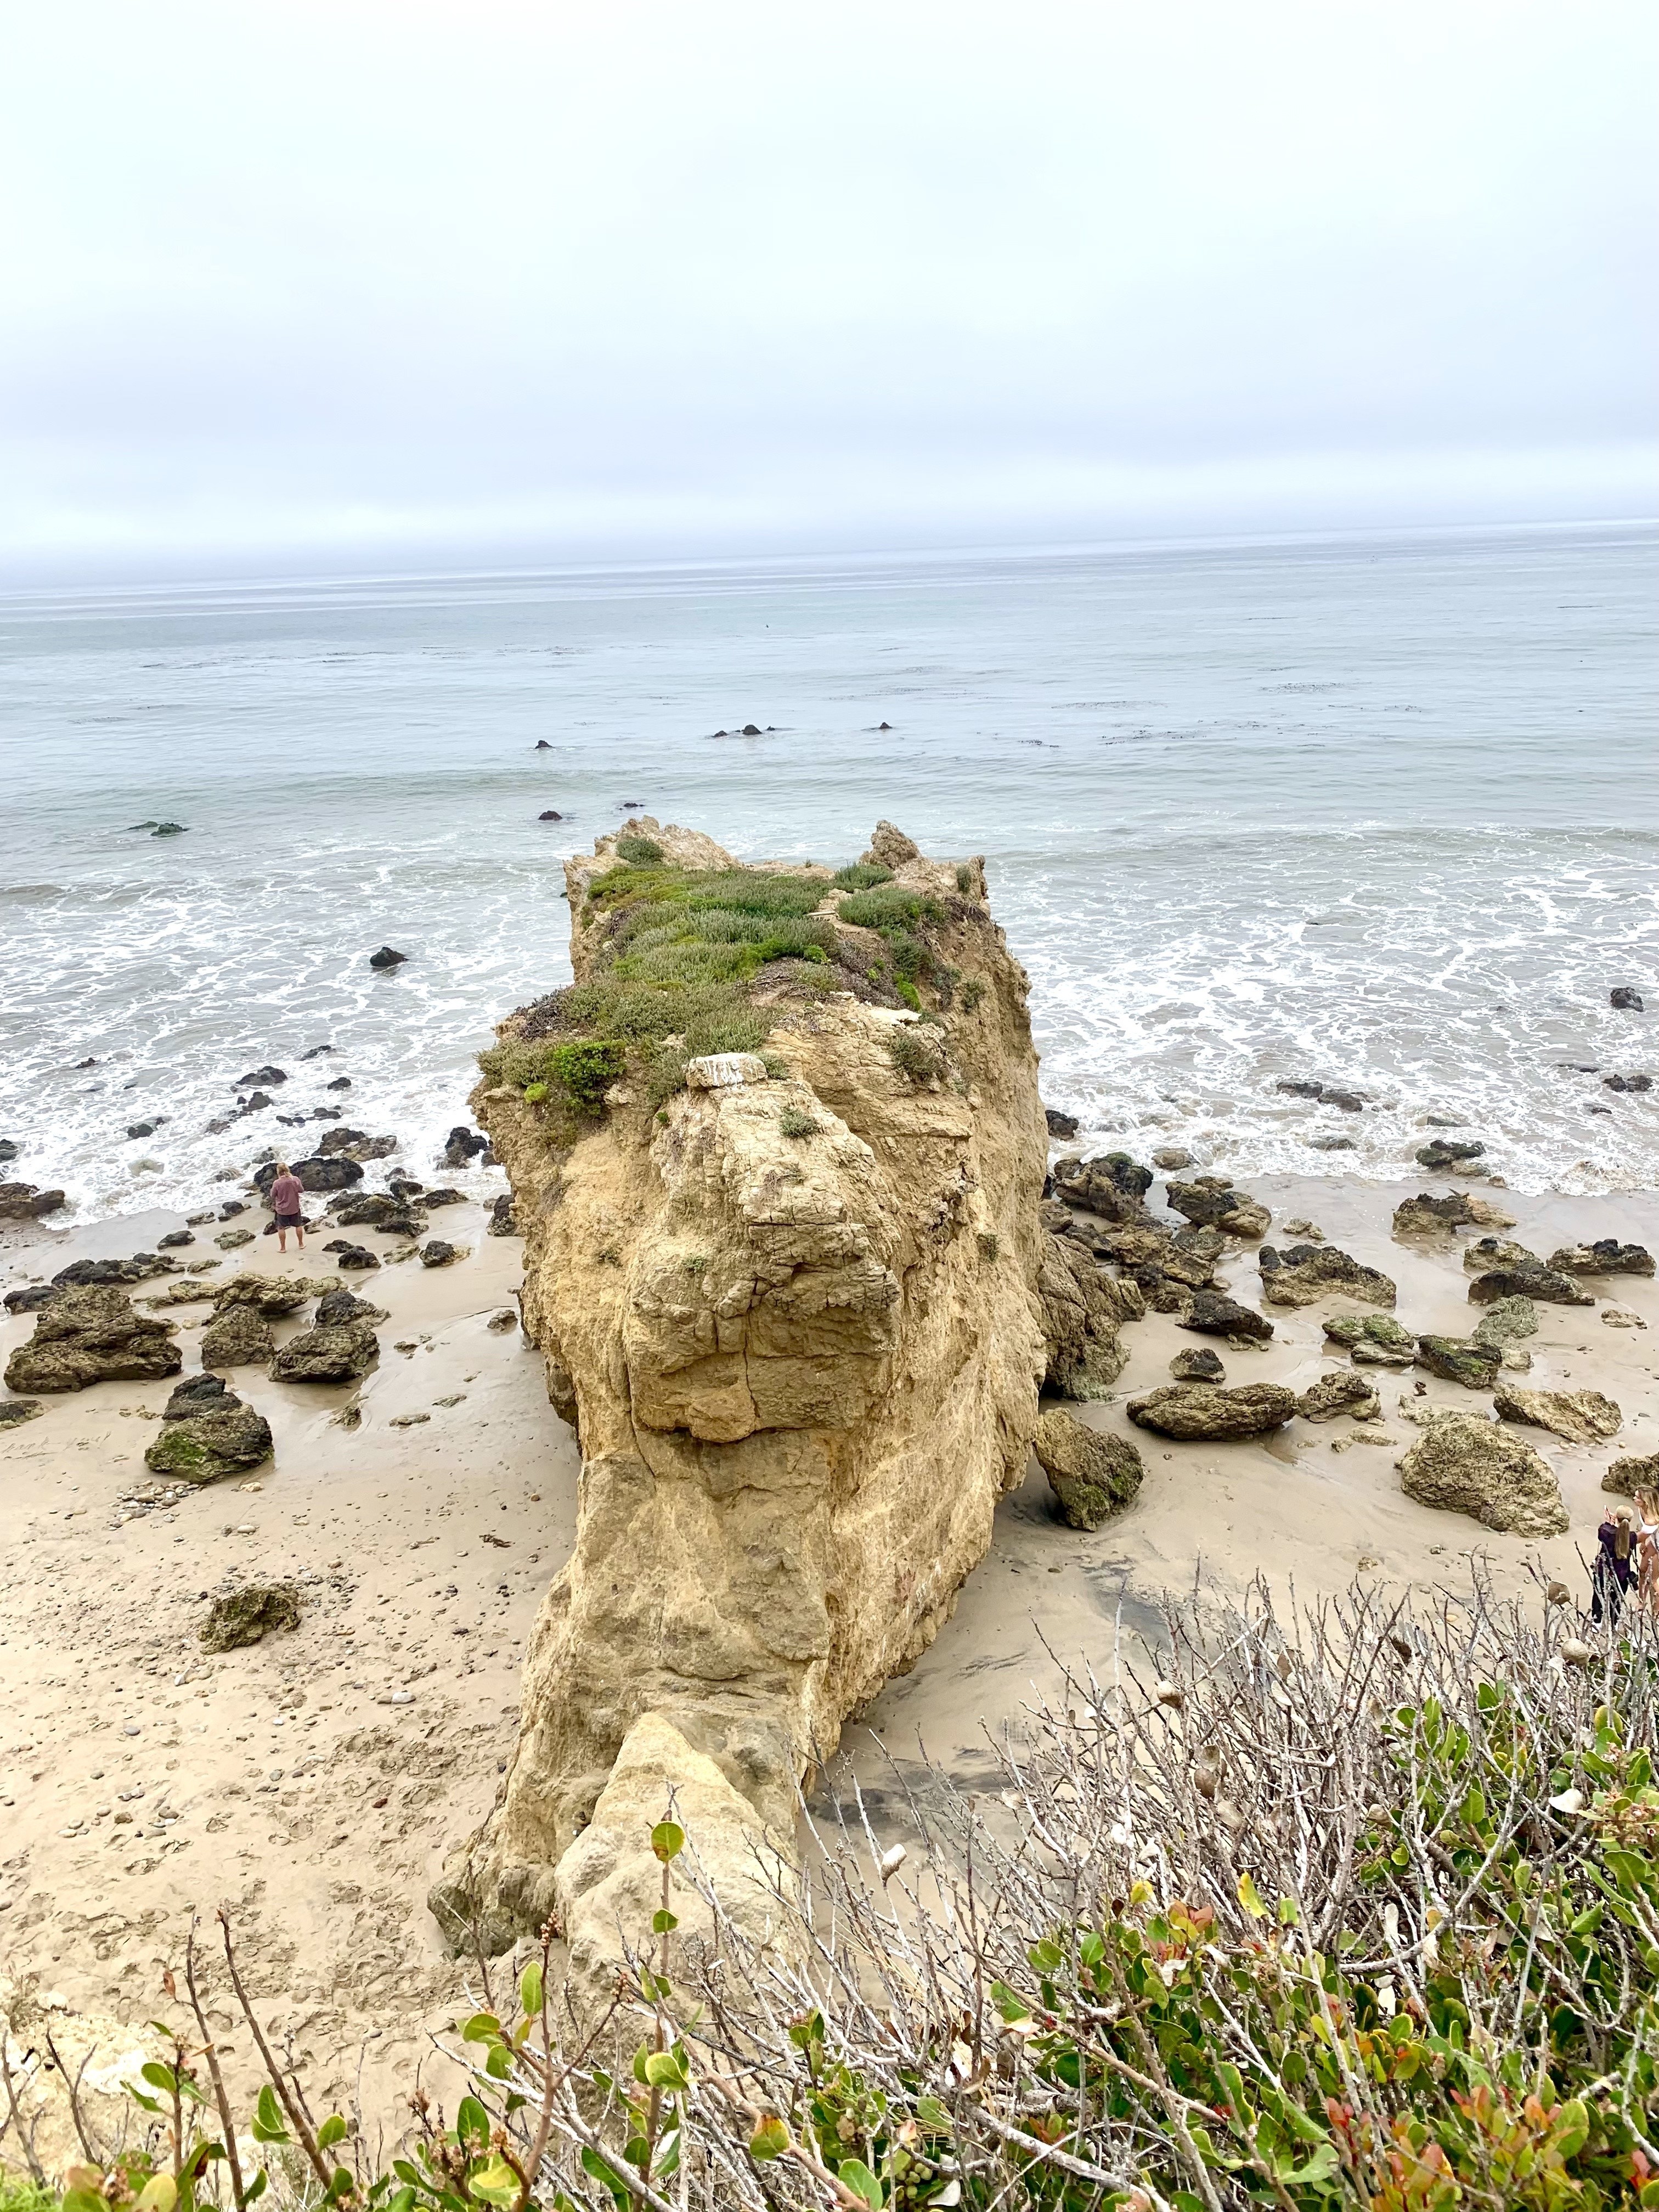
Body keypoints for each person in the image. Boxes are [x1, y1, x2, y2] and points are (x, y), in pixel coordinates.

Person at [1592, 1508, 1637, 1626]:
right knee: (1617, 1599)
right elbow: (1621, 1534)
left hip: (1604, 1572)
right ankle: (1614, 1623)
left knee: (1598, 1595)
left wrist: (1609, 1523)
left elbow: (1603, 1533)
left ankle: (1597, 1622)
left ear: (1616, 1516)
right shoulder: (1632, 1537)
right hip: (1622, 1575)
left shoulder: (1605, 1532)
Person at [269, 1161, 305, 1253]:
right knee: (298, 1225)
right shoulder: (295, 1179)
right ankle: (301, 1244)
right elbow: (301, 1190)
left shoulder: (277, 1183)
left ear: (278, 1172)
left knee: (281, 1228)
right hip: (294, 1207)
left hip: (282, 1209)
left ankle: (283, 1248)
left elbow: (272, 1195)